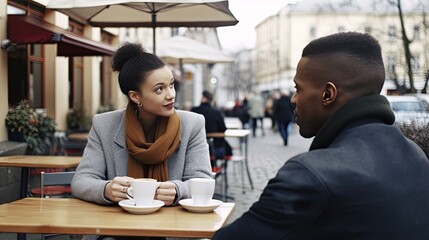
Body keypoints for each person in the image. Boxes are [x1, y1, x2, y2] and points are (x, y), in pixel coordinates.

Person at [213, 32, 429, 239]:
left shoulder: (310, 174)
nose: (293, 99)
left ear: (328, 94)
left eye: (298, 89)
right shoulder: (416, 155)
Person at [71, 43, 212, 239]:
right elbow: (81, 181)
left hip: (174, 231)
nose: (171, 94)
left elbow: (203, 180)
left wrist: (178, 190)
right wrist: (107, 189)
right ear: (135, 96)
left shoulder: (192, 124)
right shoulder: (104, 125)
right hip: (116, 230)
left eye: (171, 85)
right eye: (159, 89)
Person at [191, 90, 233, 159]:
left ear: (204, 98)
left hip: (196, 147)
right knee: (226, 150)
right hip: (214, 147)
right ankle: (219, 168)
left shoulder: (194, 110)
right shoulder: (217, 112)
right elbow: (223, 128)